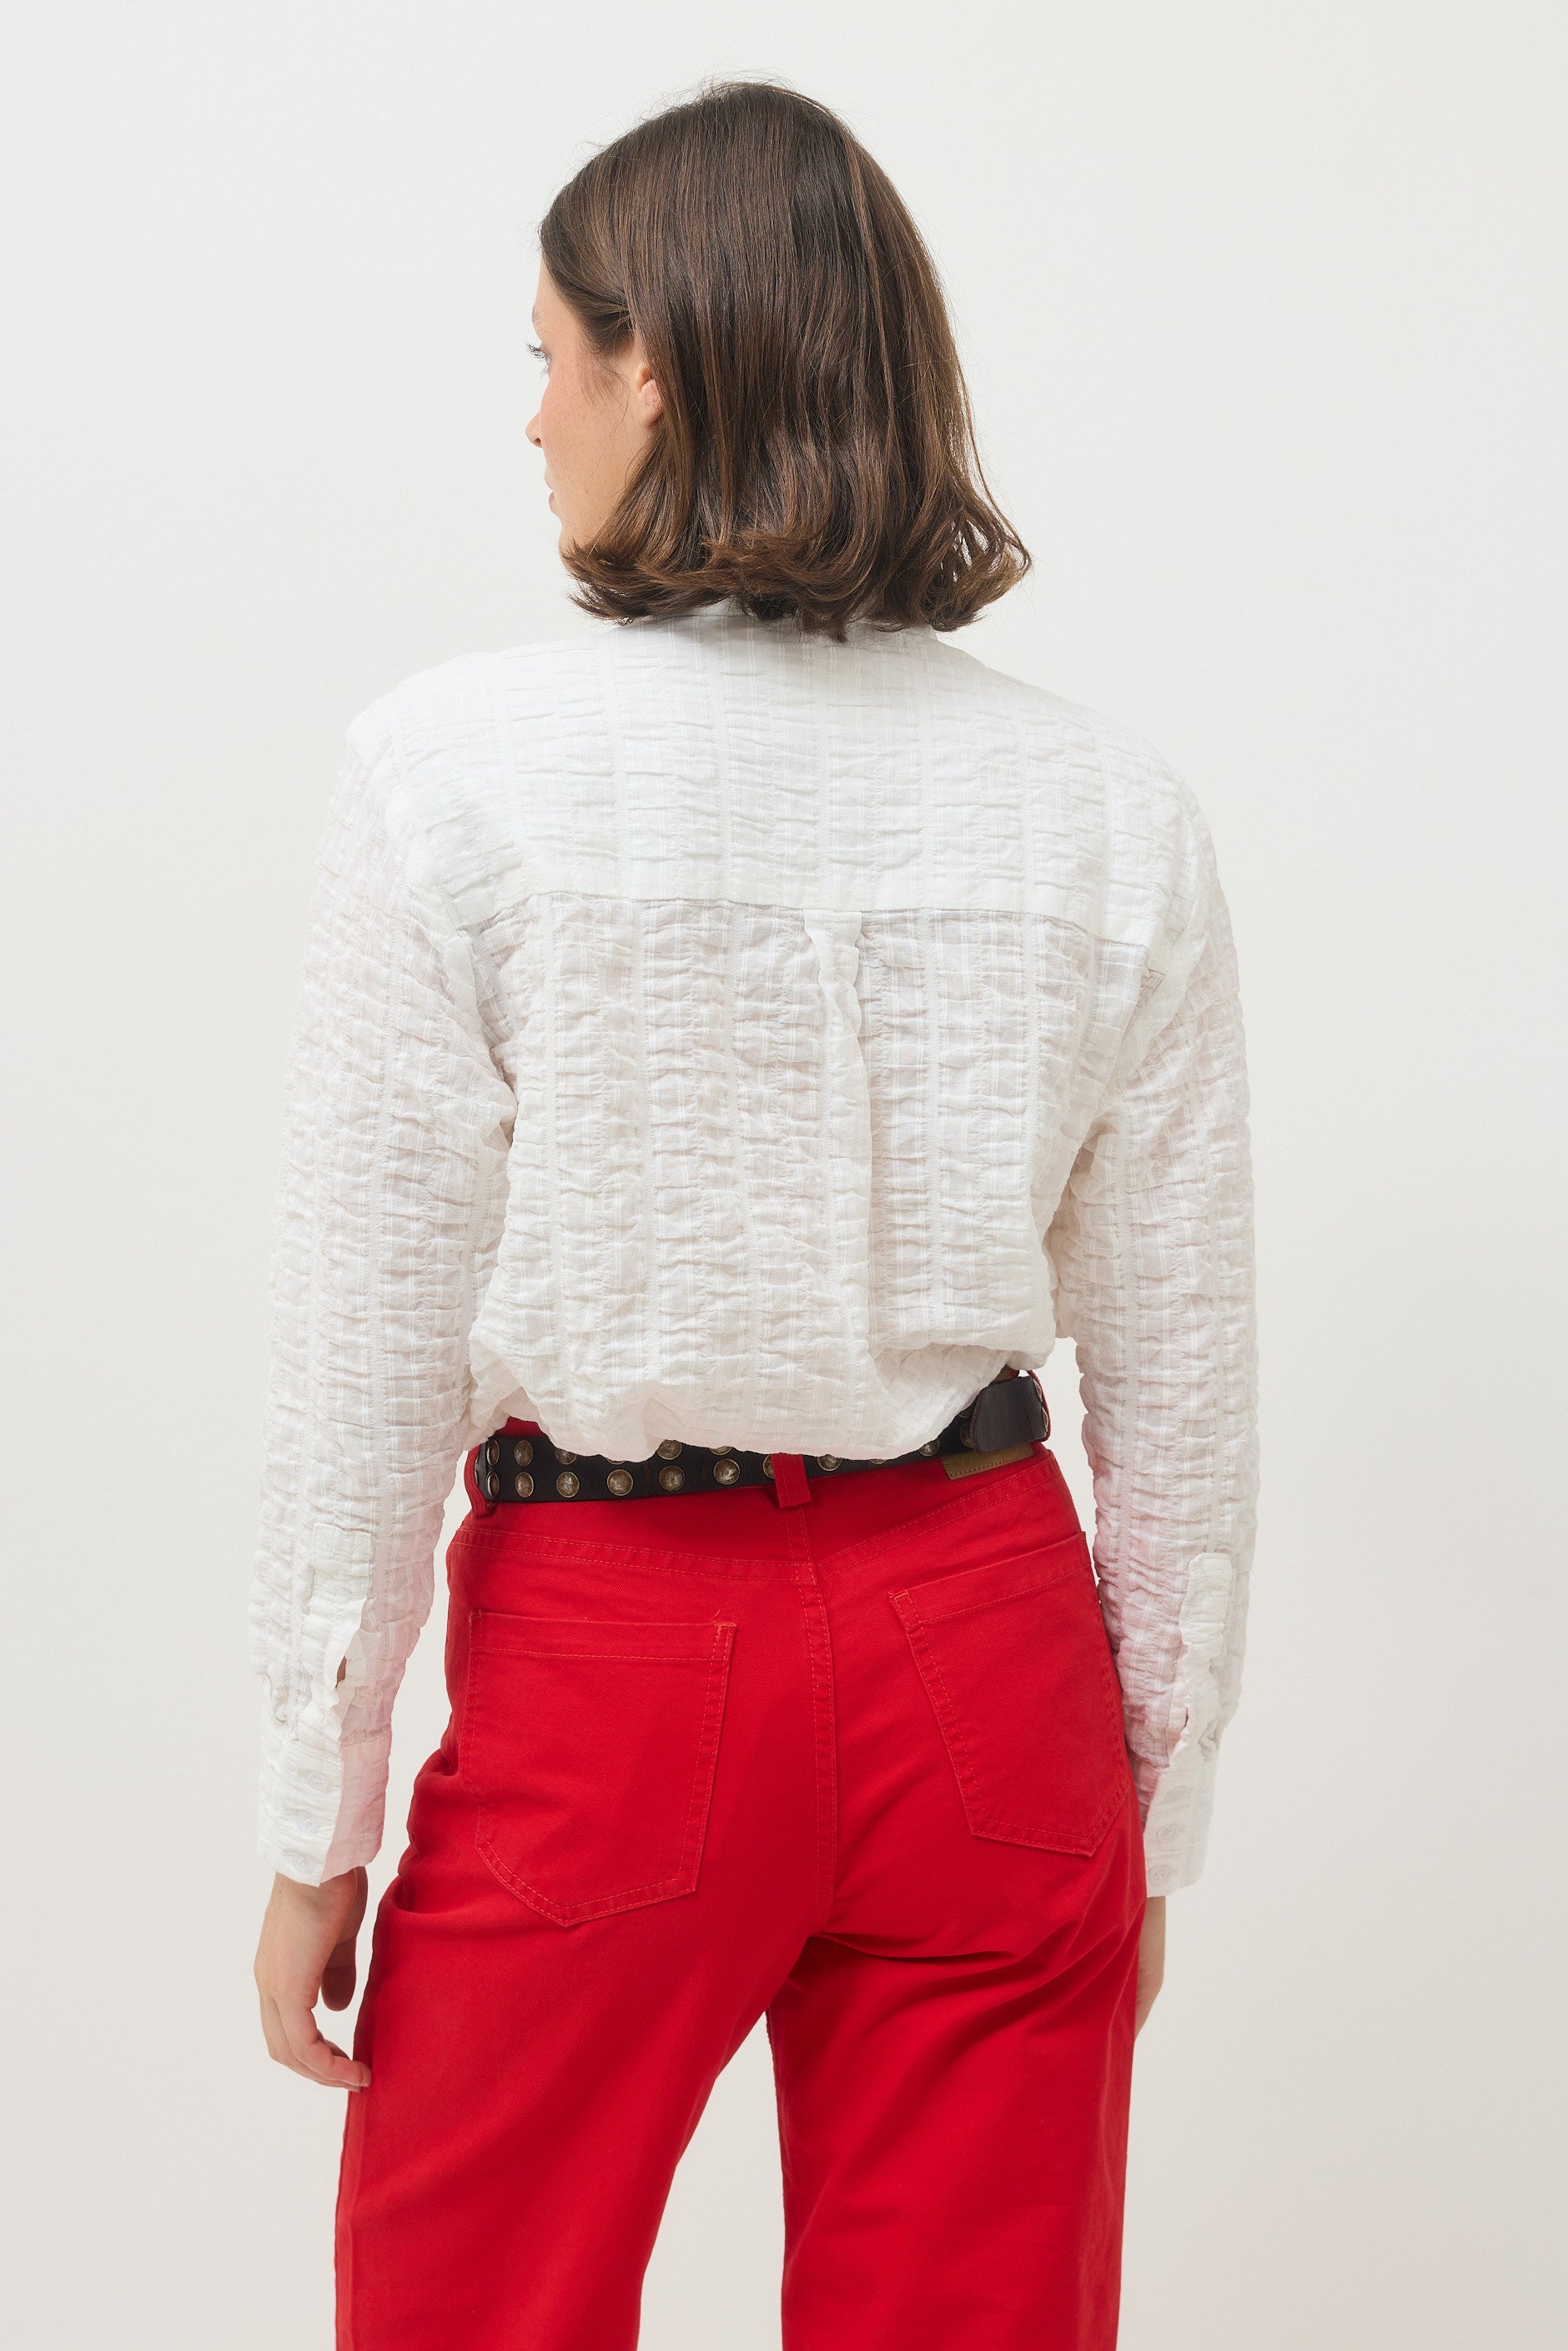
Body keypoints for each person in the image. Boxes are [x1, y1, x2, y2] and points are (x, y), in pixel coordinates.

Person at [250, 79, 1258, 2351]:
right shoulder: (1113, 811)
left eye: (545, 356)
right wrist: (1152, 1808)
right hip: (990, 1665)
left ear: (660, 366)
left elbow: (367, 1344)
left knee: (467, 2315)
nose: (530, 420)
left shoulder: (451, 776)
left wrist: (319, 1811)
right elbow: (1180, 1370)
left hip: (615, 1666)